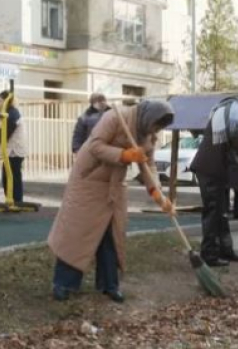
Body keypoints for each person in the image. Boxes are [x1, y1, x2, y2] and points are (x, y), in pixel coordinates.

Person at [48, 100, 175, 303]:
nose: (157, 130)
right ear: (148, 117)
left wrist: (158, 195)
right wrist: (124, 155)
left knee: (112, 234)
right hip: (89, 179)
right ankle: (63, 283)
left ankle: (109, 285)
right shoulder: (115, 117)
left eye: (160, 127)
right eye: (157, 125)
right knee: (78, 232)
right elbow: (95, 146)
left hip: (114, 185)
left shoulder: (148, 136)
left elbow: (148, 168)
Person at [190, 92, 238, 267]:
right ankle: (209, 255)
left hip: (219, 169)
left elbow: (234, 144)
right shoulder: (236, 110)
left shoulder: (231, 109)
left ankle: (225, 250)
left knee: (222, 212)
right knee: (213, 212)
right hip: (209, 168)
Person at [0, 91, 27, 203]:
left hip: (14, 152)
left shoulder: (12, 114)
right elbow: (3, 128)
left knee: (12, 178)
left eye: (0, 100)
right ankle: (12, 200)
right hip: (12, 152)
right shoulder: (9, 113)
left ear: (5, 101)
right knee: (7, 178)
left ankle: (16, 201)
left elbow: (5, 134)